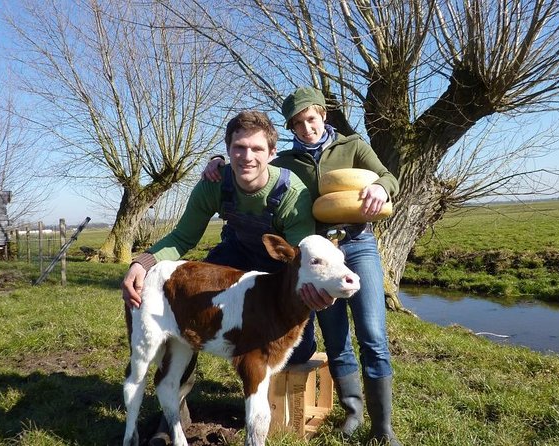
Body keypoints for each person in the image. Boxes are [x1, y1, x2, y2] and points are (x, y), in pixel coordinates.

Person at [204, 87, 401, 445]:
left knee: (372, 332)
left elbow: (388, 177)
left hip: (357, 245)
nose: (306, 128)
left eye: (311, 119)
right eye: (297, 124)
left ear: (323, 115)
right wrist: (218, 161)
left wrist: (382, 190)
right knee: (335, 334)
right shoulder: (288, 161)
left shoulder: (353, 146)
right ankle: (352, 411)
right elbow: (251, 164)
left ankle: (383, 428)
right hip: (317, 256)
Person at [122, 110, 329, 445]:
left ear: (271, 153)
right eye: (239, 148)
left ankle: (254, 399)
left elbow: (300, 259)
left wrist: (309, 295)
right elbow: (182, 237)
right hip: (235, 256)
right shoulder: (214, 183)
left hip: (279, 268)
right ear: (228, 149)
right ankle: (173, 412)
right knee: (191, 313)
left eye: (257, 149)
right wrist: (142, 263)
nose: (247, 156)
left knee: (300, 348)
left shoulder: (293, 194)